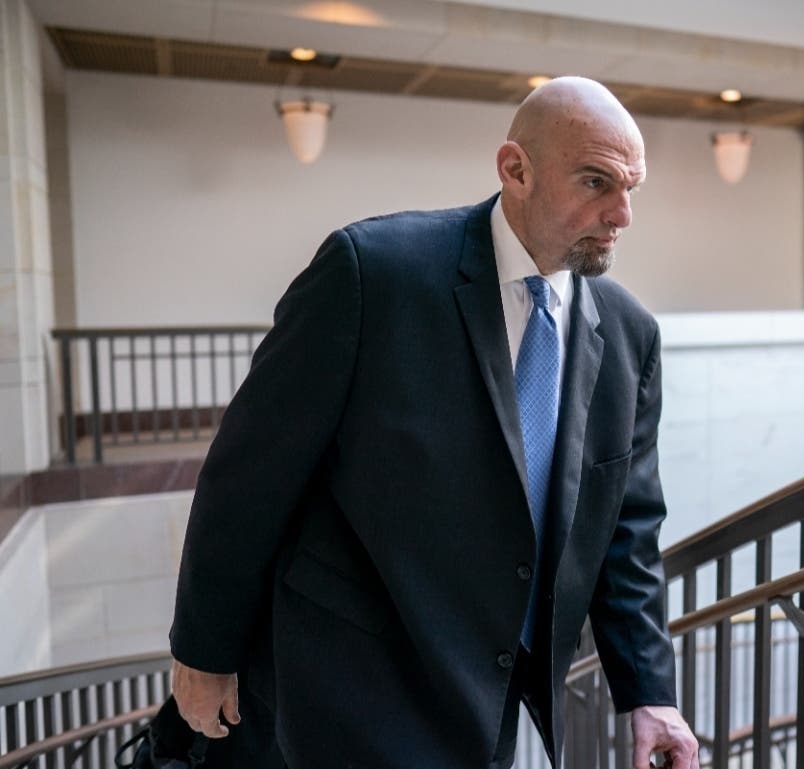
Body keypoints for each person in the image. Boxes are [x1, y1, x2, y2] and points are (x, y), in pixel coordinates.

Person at [169, 76, 700, 769]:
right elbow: (250, 475)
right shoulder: (372, 274)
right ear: (515, 169)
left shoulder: (630, 335)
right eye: (596, 182)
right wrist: (205, 651)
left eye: (632, 188)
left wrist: (648, 690)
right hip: (353, 692)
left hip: (504, 709)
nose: (622, 213)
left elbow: (626, 532)